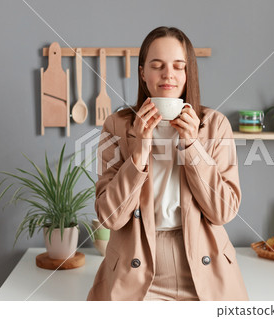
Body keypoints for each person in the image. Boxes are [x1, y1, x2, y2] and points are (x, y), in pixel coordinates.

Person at [87, 26, 249, 301]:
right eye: (157, 65)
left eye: (178, 66)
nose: (168, 74)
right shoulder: (116, 125)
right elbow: (110, 217)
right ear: (143, 74)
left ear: (188, 74)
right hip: (134, 271)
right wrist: (139, 152)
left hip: (203, 270)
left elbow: (223, 211)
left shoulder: (214, 125)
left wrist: (192, 145)